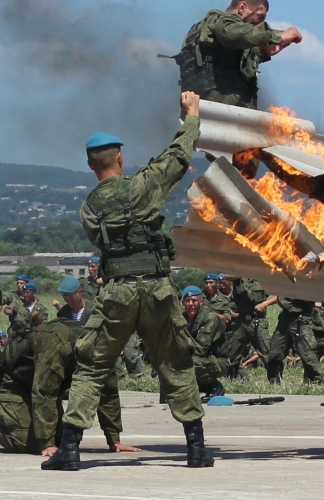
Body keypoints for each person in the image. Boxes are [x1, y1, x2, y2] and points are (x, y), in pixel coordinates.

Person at [43, 91, 213, 471]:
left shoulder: (89, 208)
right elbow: (180, 154)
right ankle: (196, 447)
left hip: (117, 292)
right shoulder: (144, 186)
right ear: (120, 156)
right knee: (176, 362)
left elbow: (100, 243)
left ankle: (70, 448)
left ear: (90, 164)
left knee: (92, 365)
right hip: (157, 289)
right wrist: (191, 115)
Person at [174, 0, 324, 226]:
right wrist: (279, 35)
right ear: (242, 7)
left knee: (243, 176)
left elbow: (243, 51)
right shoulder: (221, 23)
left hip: (220, 119)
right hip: (226, 117)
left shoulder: (213, 35)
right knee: (280, 151)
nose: (258, 25)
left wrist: (271, 47)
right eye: (258, 18)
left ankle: (222, 211)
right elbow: (232, 34)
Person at [0, 277, 137, 456]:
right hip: (10, 380)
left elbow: (107, 390)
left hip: (35, 379)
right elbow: (44, 390)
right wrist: (46, 443)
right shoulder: (57, 342)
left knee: (59, 438)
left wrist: (114, 440)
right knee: (28, 442)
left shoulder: (101, 346)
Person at [181, 286, 228, 397]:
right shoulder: (181, 319)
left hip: (217, 360)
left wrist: (177, 356)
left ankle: (214, 386)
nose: (191, 304)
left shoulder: (209, 318)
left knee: (189, 362)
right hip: (197, 357)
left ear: (201, 301)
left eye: (194, 300)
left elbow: (200, 349)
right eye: (187, 301)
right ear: (183, 303)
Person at [222, 276, 272, 377]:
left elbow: (278, 294)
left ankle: (275, 379)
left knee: (266, 352)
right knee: (232, 352)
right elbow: (226, 275)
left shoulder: (264, 277)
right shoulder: (239, 277)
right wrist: (241, 271)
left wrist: (265, 304)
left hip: (258, 320)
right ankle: (232, 378)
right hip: (241, 320)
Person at [265, 296, 322, 384]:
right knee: (274, 353)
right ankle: (274, 381)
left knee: (308, 354)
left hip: (302, 318)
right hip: (285, 318)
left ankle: (315, 382)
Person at [0, 282, 48, 378]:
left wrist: (37, 318)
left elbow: (44, 325)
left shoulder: (41, 308)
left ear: (34, 293)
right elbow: (9, 308)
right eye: (24, 292)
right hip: (17, 336)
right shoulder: (19, 303)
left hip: (33, 338)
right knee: (11, 358)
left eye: (27, 292)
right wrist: (8, 311)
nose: (25, 295)